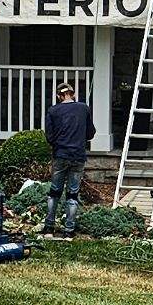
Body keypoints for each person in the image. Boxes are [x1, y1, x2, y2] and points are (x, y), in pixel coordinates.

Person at [44, 84, 95, 237]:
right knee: (72, 195)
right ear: (72, 94)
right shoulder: (84, 108)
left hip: (60, 155)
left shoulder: (53, 111)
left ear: (59, 96)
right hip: (78, 156)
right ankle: (69, 231)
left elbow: (49, 137)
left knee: (54, 193)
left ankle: (49, 227)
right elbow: (90, 133)